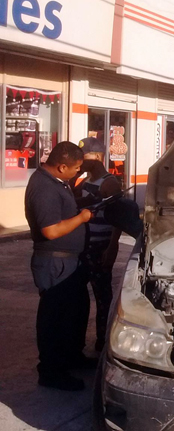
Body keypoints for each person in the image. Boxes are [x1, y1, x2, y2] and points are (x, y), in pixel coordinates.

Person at [24, 141, 94, 391]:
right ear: (62, 166)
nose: (78, 172)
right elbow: (51, 230)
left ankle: (72, 357)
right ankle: (51, 371)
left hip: (69, 261)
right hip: (55, 263)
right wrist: (82, 218)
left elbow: (61, 212)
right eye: (76, 168)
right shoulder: (44, 187)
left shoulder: (57, 182)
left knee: (74, 313)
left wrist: (82, 204)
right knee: (55, 318)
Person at [73, 137, 122, 352]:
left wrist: (112, 248)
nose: (80, 161)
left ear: (98, 157)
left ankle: (103, 341)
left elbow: (118, 220)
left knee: (103, 297)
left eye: (84, 157)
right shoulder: (84, 181)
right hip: (84, 245)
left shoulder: (109, 183)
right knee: (79, 295)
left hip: (100, 246)